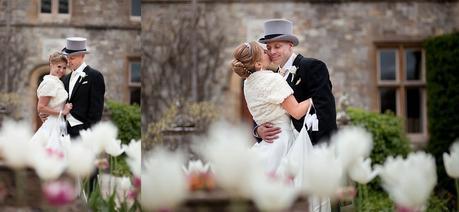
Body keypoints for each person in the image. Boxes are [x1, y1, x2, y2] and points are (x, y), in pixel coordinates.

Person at [232, 41, 313, 174]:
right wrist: (315, 98)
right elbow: (297, 112)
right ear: (258, 64)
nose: (269, 52)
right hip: (281, 140)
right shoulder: (273, 79)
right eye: (265, 51)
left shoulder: (247, 83)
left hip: (268, 143)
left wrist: (257, 130)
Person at [256, 19, 337, 146]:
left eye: (277, 46)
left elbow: (325, 109)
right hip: (283, 145)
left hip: (311, 143)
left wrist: (321, 147)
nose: (272, 52)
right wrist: (257, 130)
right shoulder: (272, 78)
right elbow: (263, 108)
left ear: (290, 45)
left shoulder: (312, 66)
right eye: (269, 47)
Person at [61, 37, 105, 138]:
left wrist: (87, 133)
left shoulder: (94, 76)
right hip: (64, 131)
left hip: (83, 132)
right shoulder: (66, 78)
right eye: (67, 57)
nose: (68, 61)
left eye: (72, 58)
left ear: (82, 56)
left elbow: (96, 111)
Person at [31, 52, 73, 151]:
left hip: (59, 122)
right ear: (51, 65)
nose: (62, 70)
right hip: (53, 124)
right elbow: (41, 107)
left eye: (64, 68)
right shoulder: (49, 83)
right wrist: (62, 112)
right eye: (59, 66)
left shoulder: (57, 82)